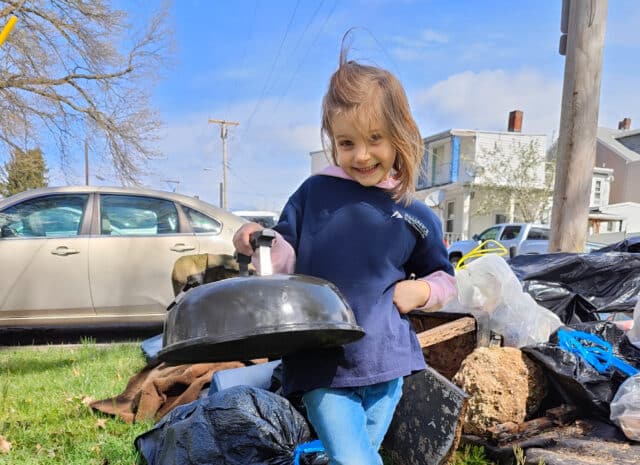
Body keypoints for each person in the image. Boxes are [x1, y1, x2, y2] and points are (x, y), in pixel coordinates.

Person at [233, 45, 456, 465]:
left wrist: (421, 291)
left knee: (358, 455)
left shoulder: (414, 213)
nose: (362, 155)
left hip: (387, 363)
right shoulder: (314, 194)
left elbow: (445, 277)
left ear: (399, 135)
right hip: (323, 364)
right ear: (332, 142)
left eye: (375, 139)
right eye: (347, 142)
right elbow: (282, 261)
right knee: (355, 459)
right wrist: (257, 239)